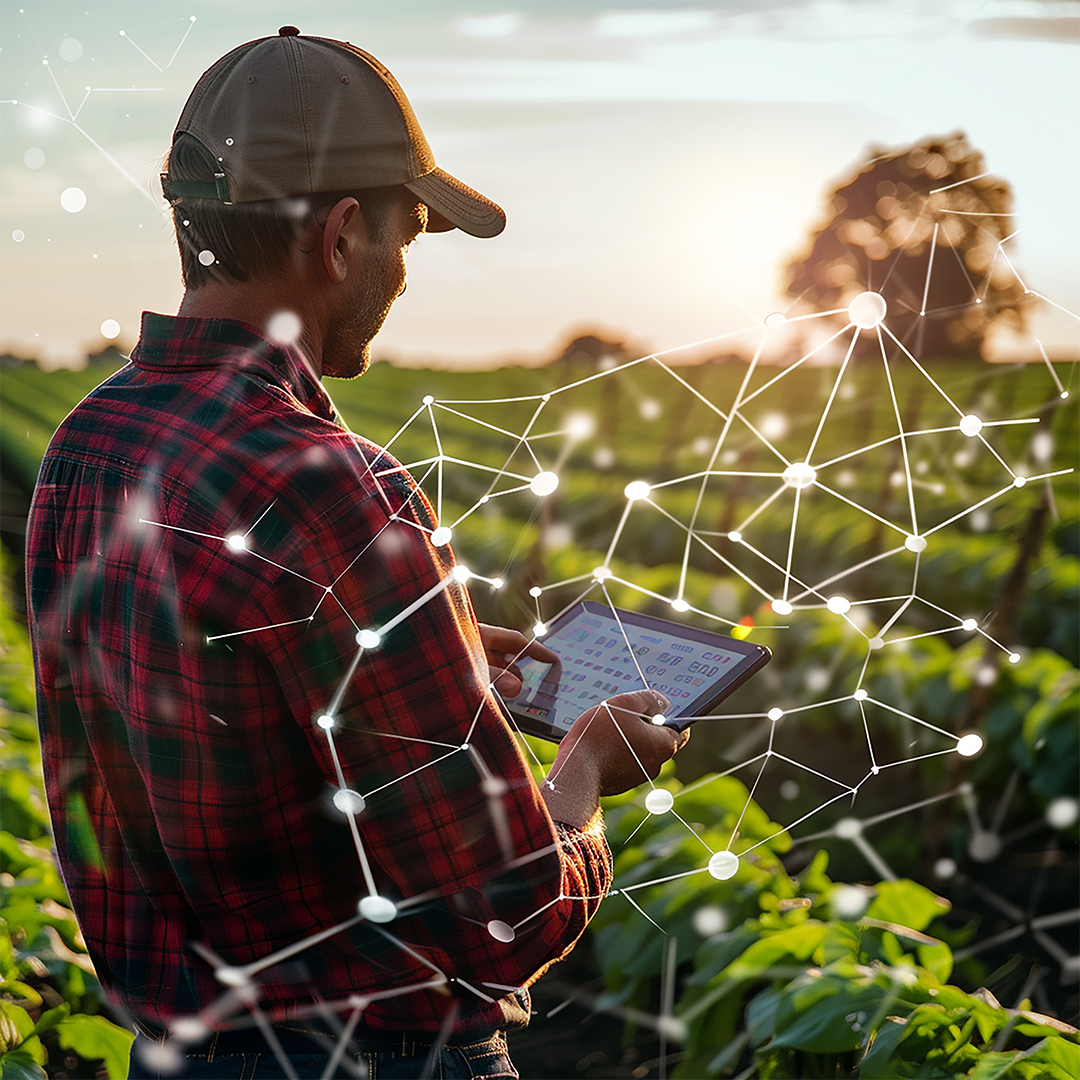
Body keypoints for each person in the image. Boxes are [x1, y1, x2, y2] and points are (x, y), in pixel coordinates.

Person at [24, 27, 688, 1080]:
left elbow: (221, 708)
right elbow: (501, 915)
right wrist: (583, 773)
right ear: (339, 239)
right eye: (406, 237)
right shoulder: (335, 487)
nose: (405, 274)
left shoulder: (92, 440)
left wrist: (441, 665)